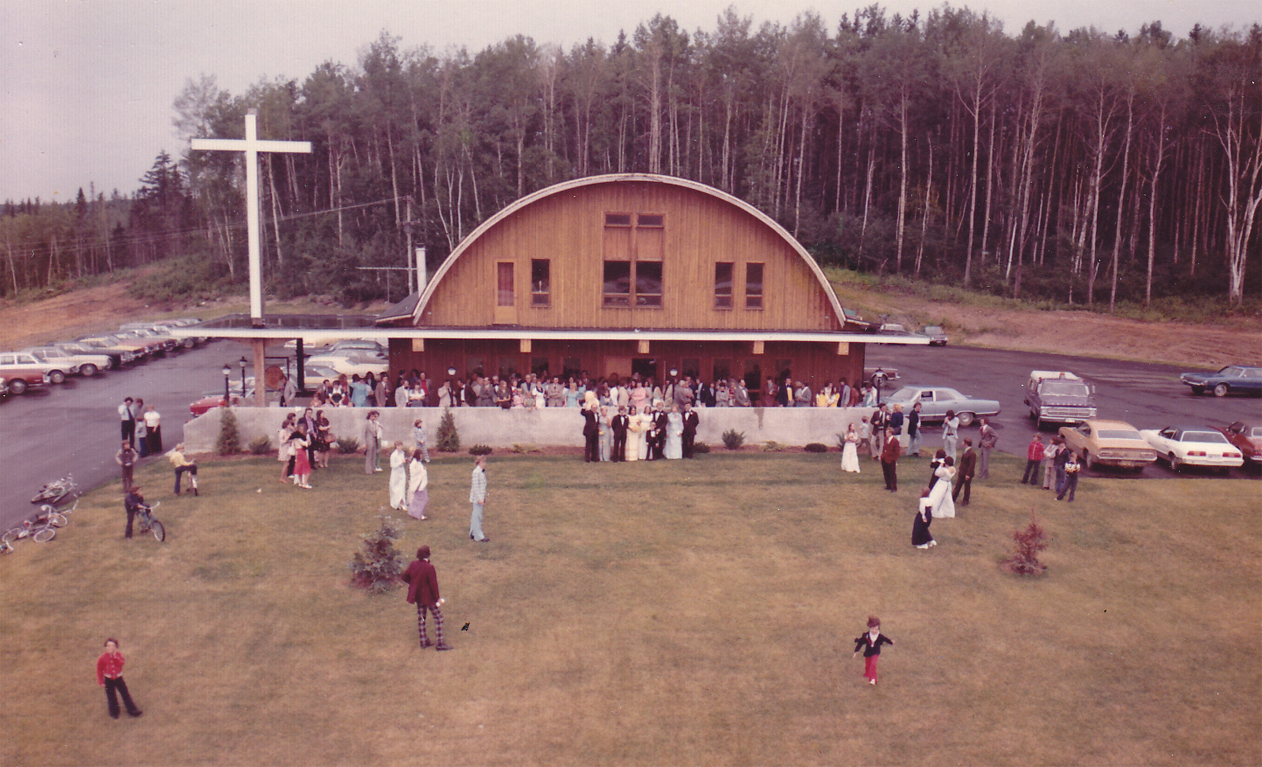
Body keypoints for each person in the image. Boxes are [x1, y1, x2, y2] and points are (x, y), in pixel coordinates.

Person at [400, 546, 452, 651]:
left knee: (421, 618)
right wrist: (437, 598)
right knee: (438, 618)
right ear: (428, 555)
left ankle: (423, 641)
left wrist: (414, 584)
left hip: (418, 596)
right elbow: (434, 585)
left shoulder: (413, 564)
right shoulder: (429, 567)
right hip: (429, 598)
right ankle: (440, 643)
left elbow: (404, 576)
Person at [96, 638, 143, 718]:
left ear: (116, 647)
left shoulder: (118, 655)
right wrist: (101, 681)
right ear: (106, 647)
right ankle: (114, 713)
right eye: (108, 646)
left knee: (125, 694)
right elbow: (99, 670)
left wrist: (114, 657)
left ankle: (132, 710)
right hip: (108, 679)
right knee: (111, 696)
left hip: (118, 678)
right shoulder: (102, 658)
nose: (110, 648)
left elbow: (121, 663)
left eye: (112, 646)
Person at [853, 616, 894, 686]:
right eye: (873, 629)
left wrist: (891, 642)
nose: (874, 631)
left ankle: (873, 679)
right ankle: (867, 673)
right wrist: (856, 652)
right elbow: (860, 643)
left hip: (875, 652)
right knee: (868, 665)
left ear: (878, 629)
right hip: (868, 652)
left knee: (873, 664)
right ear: (870, 628)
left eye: (876, 629)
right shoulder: (866, 635)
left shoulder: (880, 636)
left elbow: (886, 639)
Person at [469, 455, 489, 542]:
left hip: (480, 497)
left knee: (476, 515)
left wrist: (483, 497)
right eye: (482, 462)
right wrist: (479, 499)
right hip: (477, 499)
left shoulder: (480, 472)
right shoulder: (476, 472)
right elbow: (475, 487)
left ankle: (473, 532)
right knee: (477, 516)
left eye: (484, 462)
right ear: (478, 463)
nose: (484, 464)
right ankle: (478, 536)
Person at [954, 439, 976, 506]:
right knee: (957, 486)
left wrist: (968, 474)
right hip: (962, 472)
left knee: (967, 487)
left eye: (963, 442)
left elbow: (971, 465)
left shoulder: (972, 453)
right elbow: (963, 462)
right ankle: (953, 498)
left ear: (966, 443)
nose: (962, 443)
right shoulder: (965, 451)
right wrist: (960, 469)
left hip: (967, 474)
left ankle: (965, 500)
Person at [408, 449, 429, 520]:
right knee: (424, 499)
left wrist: (423, 470)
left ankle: (412, 511)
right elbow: (415, 473)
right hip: (418, 484)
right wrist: (423, 471)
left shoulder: (418, 463)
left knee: (419, 498)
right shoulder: (414, 464)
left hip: (420, 483)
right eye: (420, 454)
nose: (421, 456)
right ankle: (418, 514)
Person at [290, 425, 313, 489]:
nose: (301, 430)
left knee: (300, 467)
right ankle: (305, 483)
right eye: (300, 429)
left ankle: (301, 482)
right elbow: (305, 444)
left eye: (302, 429)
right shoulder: (299, 438)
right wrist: (307, 441)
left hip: (299, 453)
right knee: (307, 468)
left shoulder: (296, 437)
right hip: (301, 453)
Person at [389, 441, 409, 510]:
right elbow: (392, 465)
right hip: (395, 473)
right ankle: (396, 503)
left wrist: (405, 461)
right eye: (398, 446)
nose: (399, 447)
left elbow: (402, 462)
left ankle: (402, 503)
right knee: (395, 488)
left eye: (400, 446)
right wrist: (401, 462)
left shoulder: (402, 453)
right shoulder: (393, 455)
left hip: (401, 472)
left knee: (402, 487)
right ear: (396, 446)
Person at [582, 395, 600, 463]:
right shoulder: (588, 413)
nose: (595, 409)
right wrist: (584, 407)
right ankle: (587, 458)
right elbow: (582, 413)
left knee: (595, 445)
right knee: (588, 445)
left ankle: (595, 458)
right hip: (589, 431)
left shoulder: (597, 414)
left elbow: (597, 422)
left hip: (595, 431)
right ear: (591, 408)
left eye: (596, 408)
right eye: (593, 408)